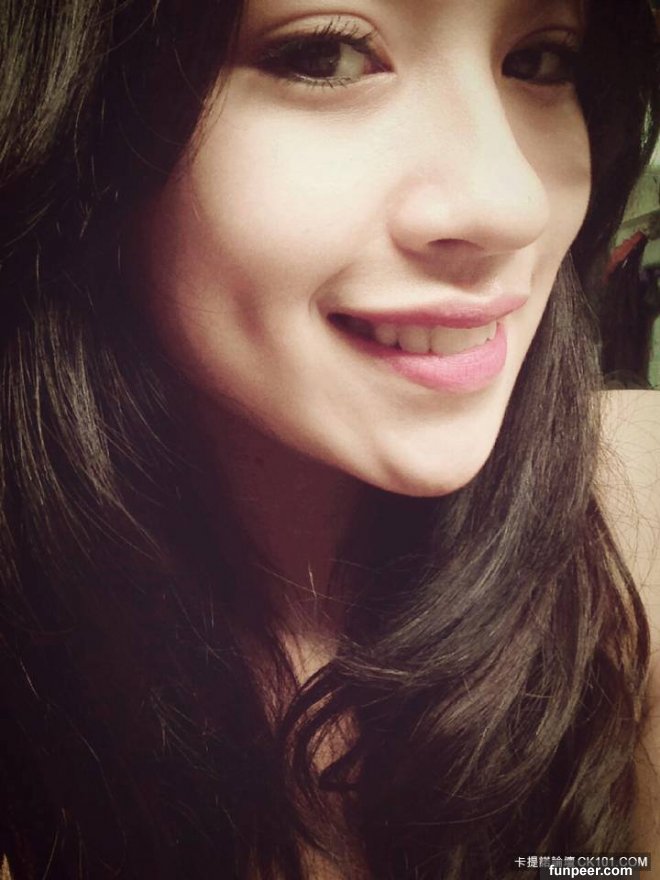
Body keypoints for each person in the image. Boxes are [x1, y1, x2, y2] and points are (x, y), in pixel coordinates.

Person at [1, 1, 659, 878]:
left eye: (540, 61)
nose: (513, 203)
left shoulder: (622, 596)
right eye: (325, 55)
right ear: (84, 127)